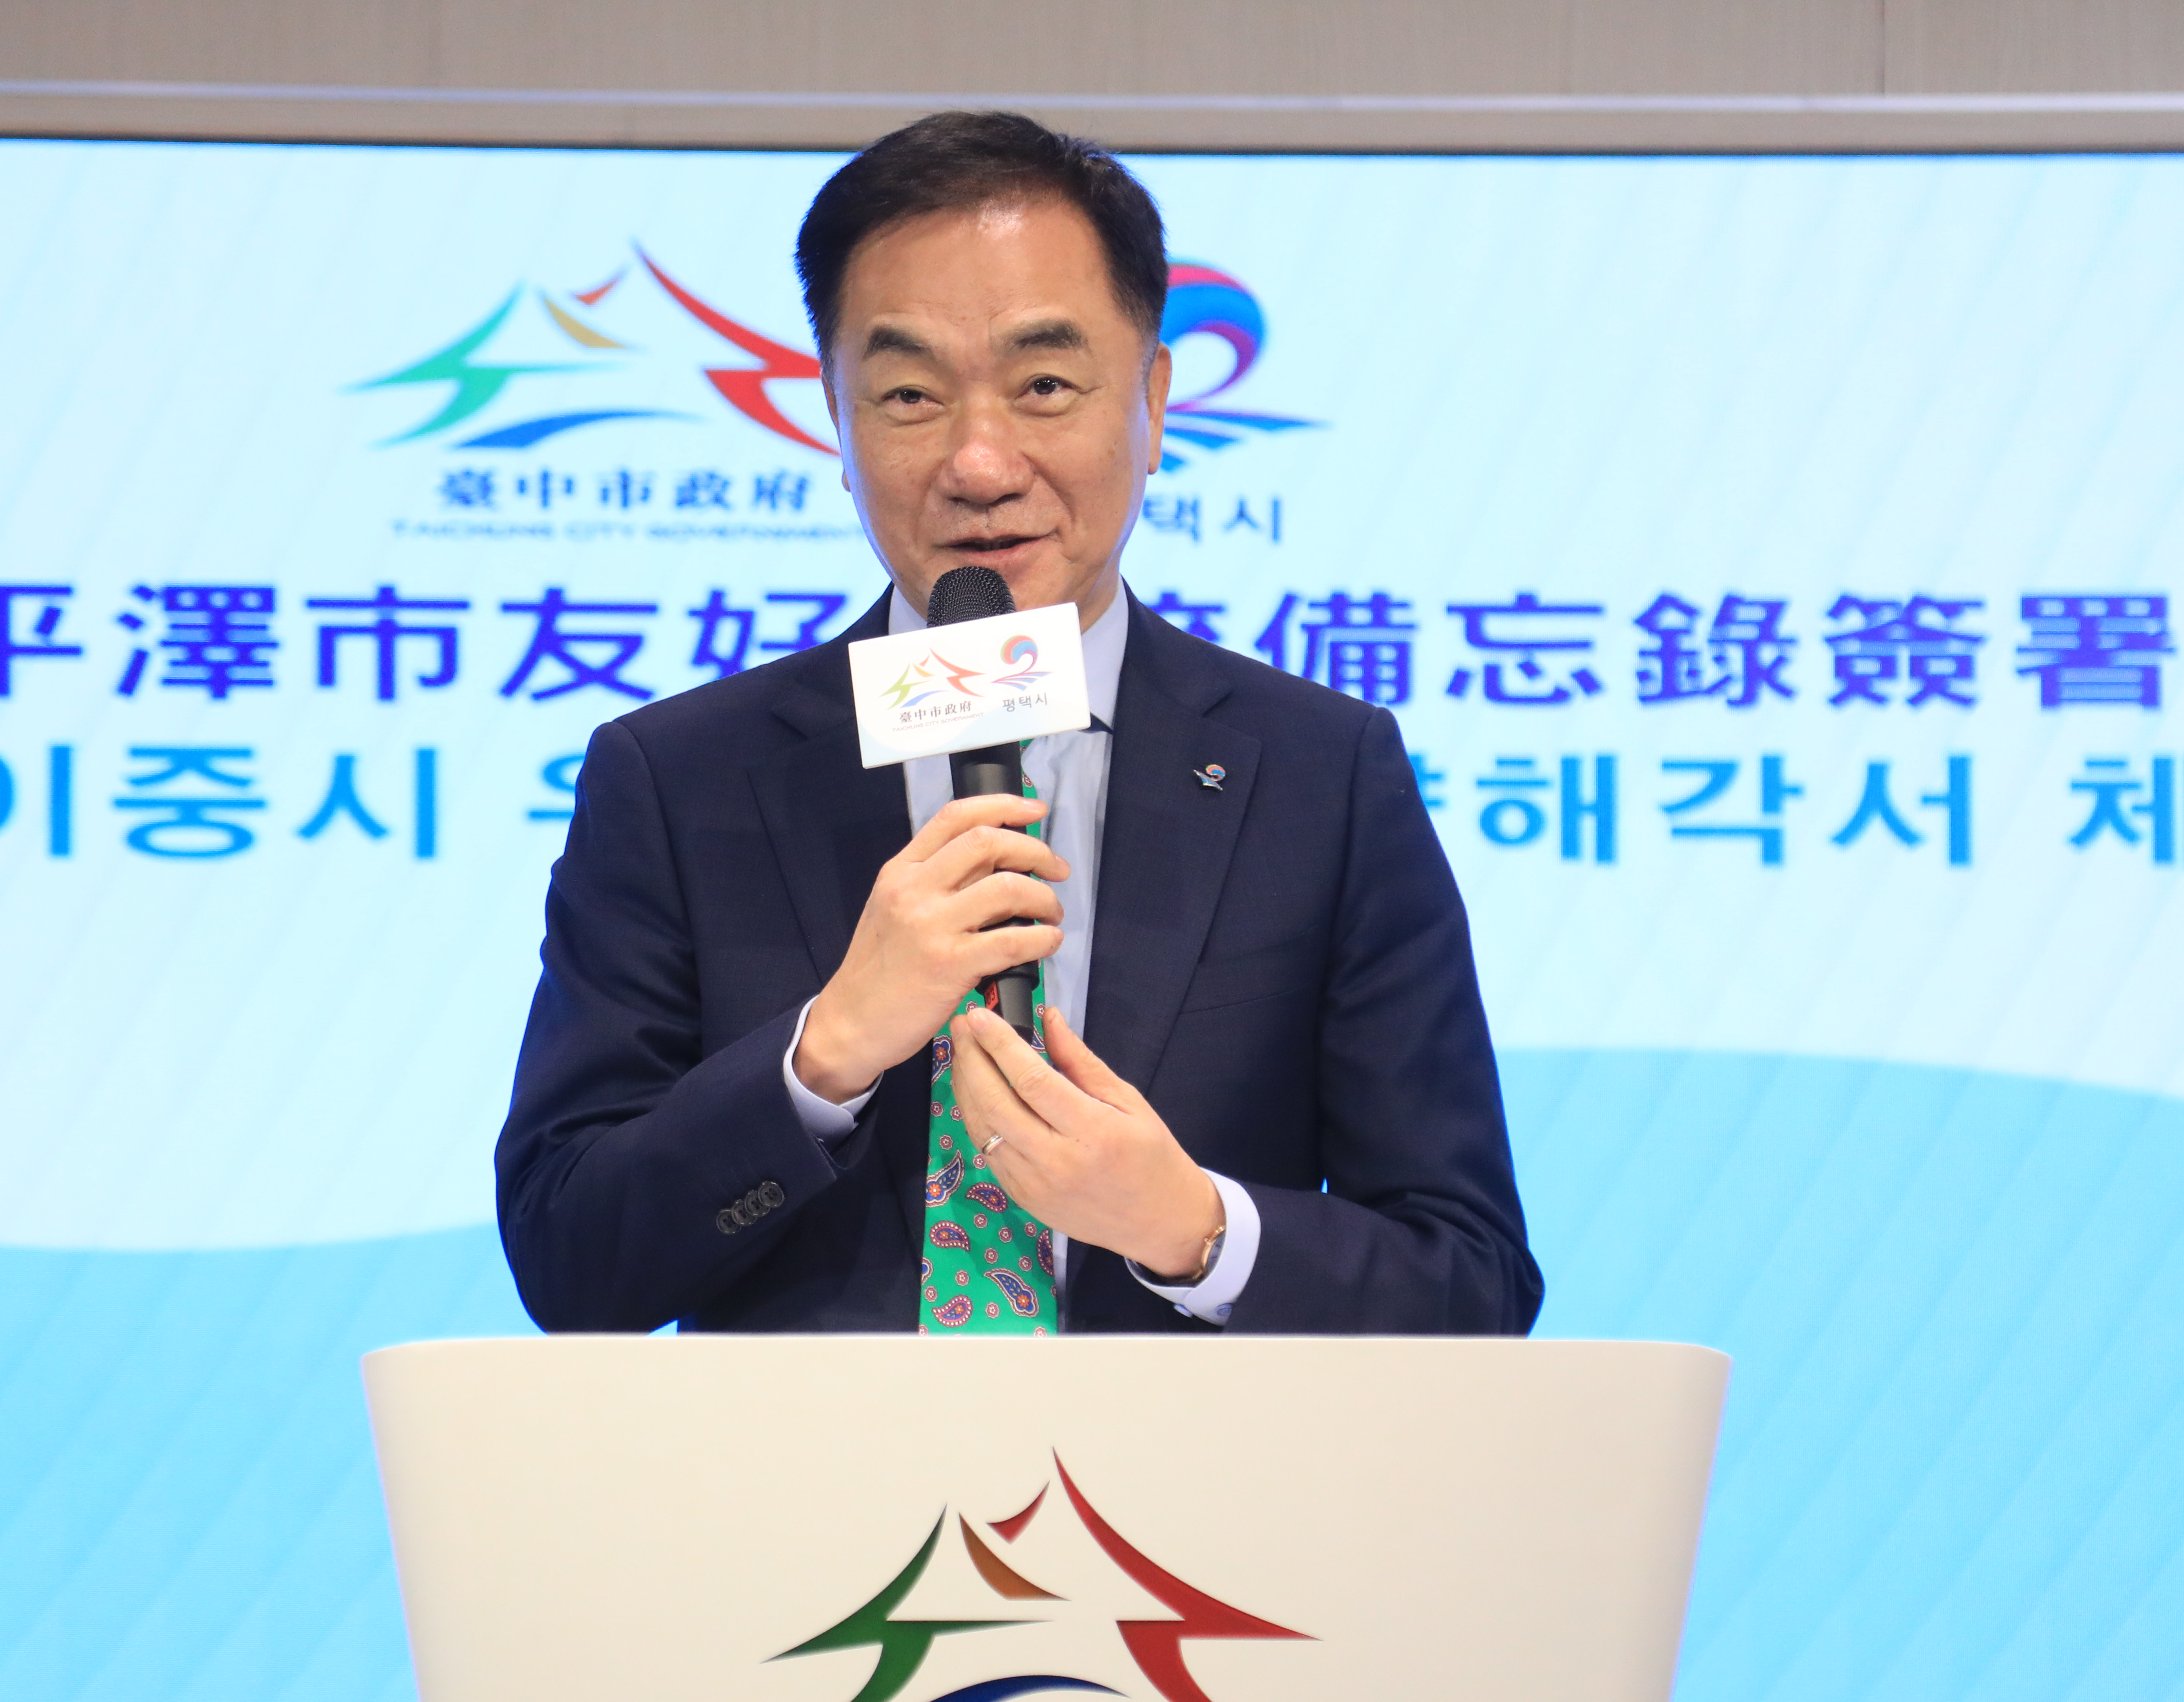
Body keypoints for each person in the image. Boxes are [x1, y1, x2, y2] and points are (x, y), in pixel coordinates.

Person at [497, 111, 1538, 1336]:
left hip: (1182, 1466)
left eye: (1044, 386)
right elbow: (570, 1261)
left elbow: (1471, 1284)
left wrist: (1194, 1227)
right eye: (909, 394)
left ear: (1153, 401)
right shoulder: (680, 780)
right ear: (835, 418)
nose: (980, 463)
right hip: (808, 1464)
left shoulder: (1322, 777)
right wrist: (825, 1052)